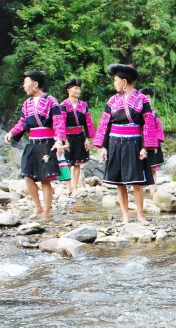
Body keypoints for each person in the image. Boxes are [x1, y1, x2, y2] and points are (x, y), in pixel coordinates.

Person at [93, 64, 158, 224]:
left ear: (124, 81)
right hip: (115, 143)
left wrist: (145, 147)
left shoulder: (142, 99)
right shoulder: (113, 100)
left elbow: (148, 123)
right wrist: (103, 146)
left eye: (115, 80)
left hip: (134, 143)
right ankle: (125, 216)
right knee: (119, 182)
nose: (114, 84)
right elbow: (104, 124)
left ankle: (140, 215)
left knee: (136, 182)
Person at [4, 70, 66, 219]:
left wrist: (59, 141)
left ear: (35, 84)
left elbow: (59, 122)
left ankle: (46, 212)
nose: (24, 86)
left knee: (45, 179)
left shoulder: (51, 100)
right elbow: (22, 123)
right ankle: (38, 207)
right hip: (32, 144)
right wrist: (11, 132)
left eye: (26, 83)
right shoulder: (27, 104)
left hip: (47, 144)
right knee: (27, 176)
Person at [60, 78, 95, 194]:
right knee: (68, 163)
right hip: (68, 136)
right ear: (69, 90)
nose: (78, 91)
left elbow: (88, 123)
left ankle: (75, 187)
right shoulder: (63, 105)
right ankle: (68, 187)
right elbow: (61, 124)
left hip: (80, 136)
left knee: (77, 163)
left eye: (79, 89)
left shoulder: (84, 105)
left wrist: (87, 139)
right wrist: (64, 140)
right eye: (75, 88)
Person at [138, 87, 165, 194]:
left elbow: (158, 126)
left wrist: (158, 140)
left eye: (149, 97)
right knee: (139, 166)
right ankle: (139, 188)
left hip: (153, 142)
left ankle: (153, 190)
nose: (148, 99)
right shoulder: (137, 112)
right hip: (140, 141)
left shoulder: (153, 113)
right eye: (145, 97)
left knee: (153, 168)